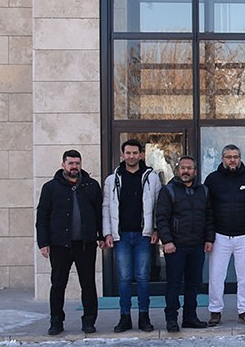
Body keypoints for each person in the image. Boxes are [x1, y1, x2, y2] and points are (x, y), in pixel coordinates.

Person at [36, 149, 104, 335]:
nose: (74, 167)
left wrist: (101, 235)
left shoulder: (91, 185)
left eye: (77, 163)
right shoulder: (50, 187)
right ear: (63, 165)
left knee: (88, 284)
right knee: (58, 284)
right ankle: (56, 321)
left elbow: (99, 212)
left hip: (86, 244)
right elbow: (42, 217)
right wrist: (43, 242)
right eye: (71, 163)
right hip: (59, 244)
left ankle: (89, 321)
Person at [102, 139, 162, 333]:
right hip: (121, 237)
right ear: (122, 155)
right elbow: (106, 207)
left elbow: (158, 206)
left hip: (143, 235)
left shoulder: (152, 178)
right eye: (128, 153)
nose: (131, 156)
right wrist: (107, 232)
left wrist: (156, 229)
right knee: (125, 278)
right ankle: (125, 317)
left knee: (143, 278)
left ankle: (144, 317)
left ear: (141, 155)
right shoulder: (112, 179)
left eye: (135, 153)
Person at [205, 144, 245, 326]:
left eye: (235, 157)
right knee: (216, 277)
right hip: (219, 236)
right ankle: (215, 311)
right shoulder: (212, 179)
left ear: (240, 158)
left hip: (244, 236)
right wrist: (209, 236)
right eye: (229, 157)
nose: (232, 160)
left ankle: (244, 311)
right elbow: (207, 209)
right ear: (222, 158)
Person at [153, 155, 214, 332]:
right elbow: (162, 218)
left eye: (189, 168)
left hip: (197, 245)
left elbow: (209, 217)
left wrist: (209, 239)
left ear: (195, 171)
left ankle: (190, 317)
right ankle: (171, 319)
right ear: (178, 170)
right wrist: (167, 241)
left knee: (193, 284)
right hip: (175, 246)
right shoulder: (168, 190)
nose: (186, 171)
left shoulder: (203, 191)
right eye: (183, 168)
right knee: (174, 284)